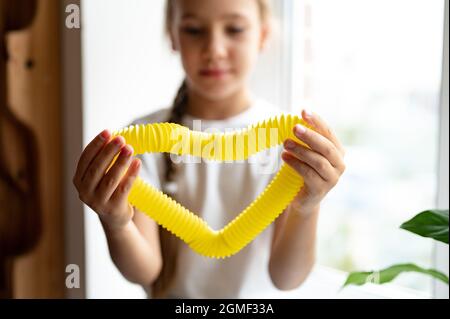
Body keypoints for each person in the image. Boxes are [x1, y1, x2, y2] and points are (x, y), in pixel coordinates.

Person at [73, 0, 346, 299]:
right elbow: (145, 271)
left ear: (263, 35)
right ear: (173, 36)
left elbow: (287, 278)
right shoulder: (141, 139)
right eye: (193, 29)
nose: (214, 49)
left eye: (235, 29)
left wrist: (307, 207)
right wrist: (116, 223)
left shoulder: (287, 144)